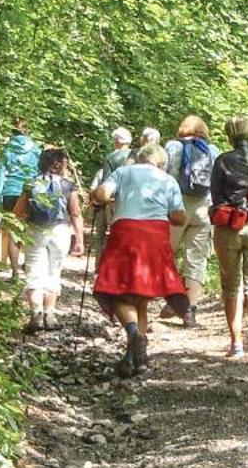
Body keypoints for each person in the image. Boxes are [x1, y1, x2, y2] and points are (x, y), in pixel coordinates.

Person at [90, 144, 189, 377]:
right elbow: (179, 217)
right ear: (162, 163)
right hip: (155, 236)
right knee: (141, 297)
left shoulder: (124, 172)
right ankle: (137, 358)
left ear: (140, 158)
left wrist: (98, 197)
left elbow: (102, 194)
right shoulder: (168, 180)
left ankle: (134, 335)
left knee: (117, 292)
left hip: (126, 233)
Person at [209, 118, 248, 362]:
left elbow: (215, 195)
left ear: (229, 135)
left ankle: (236, 344)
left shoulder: (223, 160)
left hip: (229, 226)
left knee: (231, 286)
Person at [14, 148, 86, 332]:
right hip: (60, 231)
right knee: (54, 273)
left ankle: (36, 315)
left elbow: (18, 212)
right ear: (61, 165)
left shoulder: (31, 184)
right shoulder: (68, 185)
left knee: (34, 272)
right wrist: (79, 240)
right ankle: (50, 315)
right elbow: (76, 214)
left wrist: (18, 233)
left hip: (35, 230)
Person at [163, 115, 218, 327]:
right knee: (197, 259)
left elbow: (164, 177)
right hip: (204, 208)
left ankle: (174, 296)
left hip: (177, 207)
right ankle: (190, 310)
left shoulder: (172, 147)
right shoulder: (213, 151)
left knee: (166, 254)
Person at [0, 119, 42, 270]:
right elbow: (40, 174)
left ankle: (14, 272)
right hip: (29, 193)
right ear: (27, 132)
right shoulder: (36, 150)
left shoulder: (7, 150)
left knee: (12, 231)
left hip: (10, 193)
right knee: (28, 230)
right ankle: (29, 265)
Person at [89, 126, 132, 261]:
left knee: (102, 234)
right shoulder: (136, 155)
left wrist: (100, 200)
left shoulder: (111, 156)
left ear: (117, 141)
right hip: (129, 200)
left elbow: (107, 179)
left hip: (112, 200)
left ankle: (100, 265)